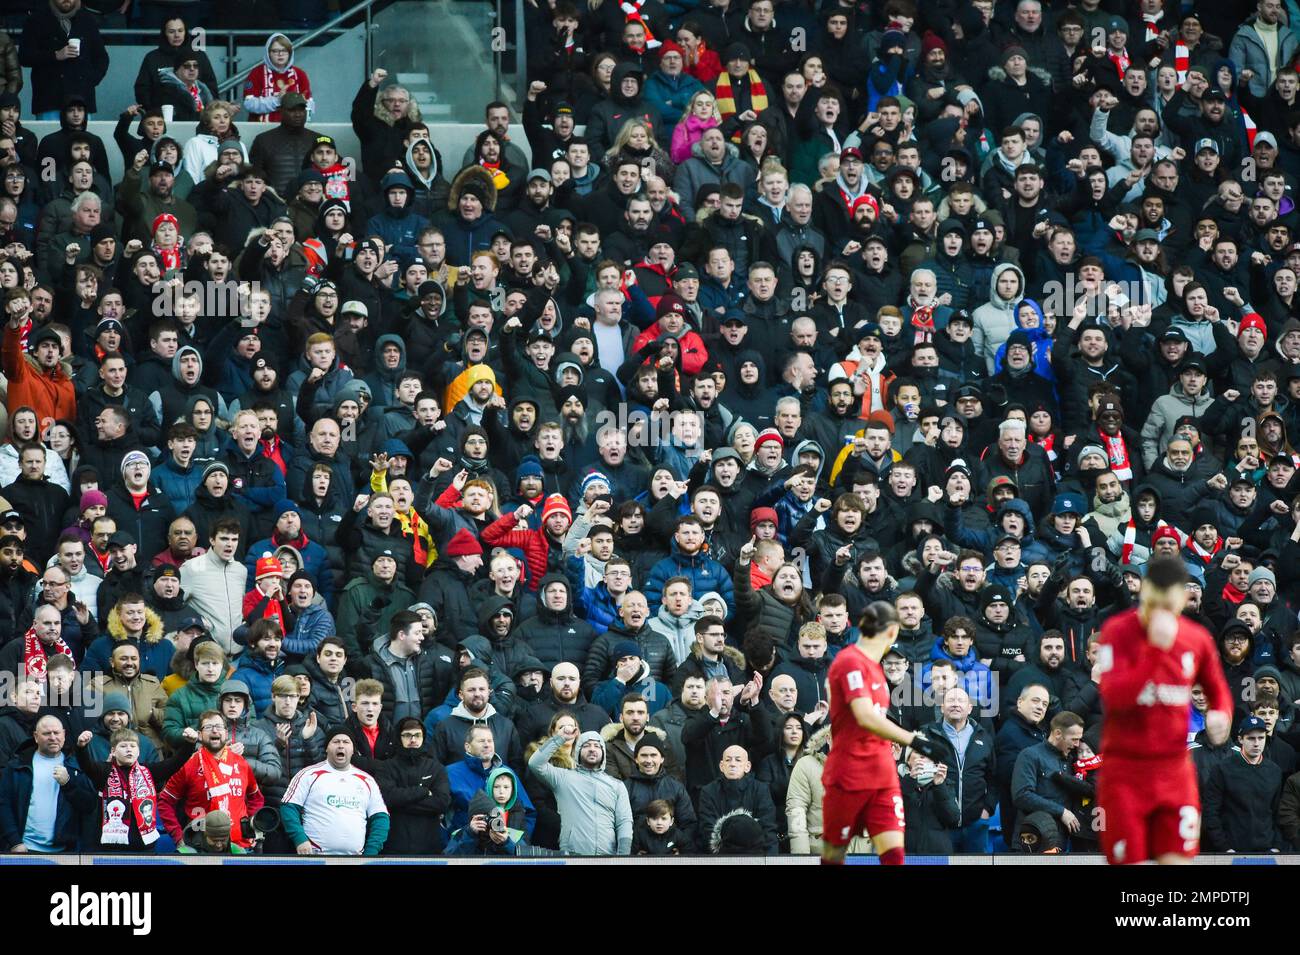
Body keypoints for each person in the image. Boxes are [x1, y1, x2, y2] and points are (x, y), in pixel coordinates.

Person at [1096, 555, 1233, 864]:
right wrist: (1155, 652)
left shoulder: (1195, 637)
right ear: (1144, 592)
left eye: (1170, 604)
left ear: (1182, 598)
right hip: (1126, 770)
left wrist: (1221, 713)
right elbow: (1114, 698)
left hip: (1174, 770)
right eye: (1155, 602)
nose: (1162, 611)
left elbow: (1218, 689)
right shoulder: (1118, 631)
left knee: (1176, 860)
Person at [820, 601, 951, 865]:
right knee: (834, 855)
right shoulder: (849, 661)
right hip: (849, 772)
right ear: (893, 632)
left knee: (894, 855)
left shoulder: (877, 671)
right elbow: (865, 716)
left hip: (882, 773)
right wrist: (915, 741)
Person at [157, 709, 264, 850]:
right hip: (200, 847)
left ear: (226, 733)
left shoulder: (241, 763)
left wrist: (252, 828)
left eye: (219, 727)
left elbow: (256, 798)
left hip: (239, 846)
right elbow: (165, 802)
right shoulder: (188, 765)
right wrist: (178, 837)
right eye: (208, 727)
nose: (214, 731)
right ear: (200, 735)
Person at [281, 724, 390, 855]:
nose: (341, 745)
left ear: (353, 749)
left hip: (355, 860)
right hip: (315, 857)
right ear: (326, 748)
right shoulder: (308, 774)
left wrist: (371, 851)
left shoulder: (367, 780)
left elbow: (381, 817)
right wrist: (300, 839)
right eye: (335, 741)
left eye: (346, 742)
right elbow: (288, 806)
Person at [527, 726, 633, 855]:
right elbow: (535, 763)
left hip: (607, 857)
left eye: (597, 746)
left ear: (603, 752)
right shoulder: (563, 778)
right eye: (587, 746)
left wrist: (622, 857)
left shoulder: (617, 785)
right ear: (578, 751)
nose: (592, 749)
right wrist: (560, 738)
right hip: (572, 855)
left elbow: (624, 821)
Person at [0, 714, 94, 852]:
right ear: (36, 736)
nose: (52, 737)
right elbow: (4, 805)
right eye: (46, 733)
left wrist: (68, 784)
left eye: (56, 733)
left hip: (66, 852)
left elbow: (89, 805)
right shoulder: (18, 765)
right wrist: (14, 842)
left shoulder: (76, 765)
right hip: (25, 849)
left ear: (64, 734)